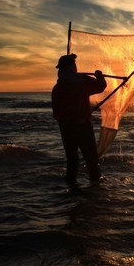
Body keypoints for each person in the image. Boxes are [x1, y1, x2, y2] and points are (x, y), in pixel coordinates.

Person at [51, 54, 107, 186]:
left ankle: (71, 189)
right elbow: (100, 86)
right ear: (72, 66)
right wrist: (99, 75)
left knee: (72, 161)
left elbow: (56, 113)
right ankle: (96, 189)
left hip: (66, 129)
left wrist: (68, 119)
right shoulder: (82, 81)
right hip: (83, 127)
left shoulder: (58, 88)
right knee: (91, 159)